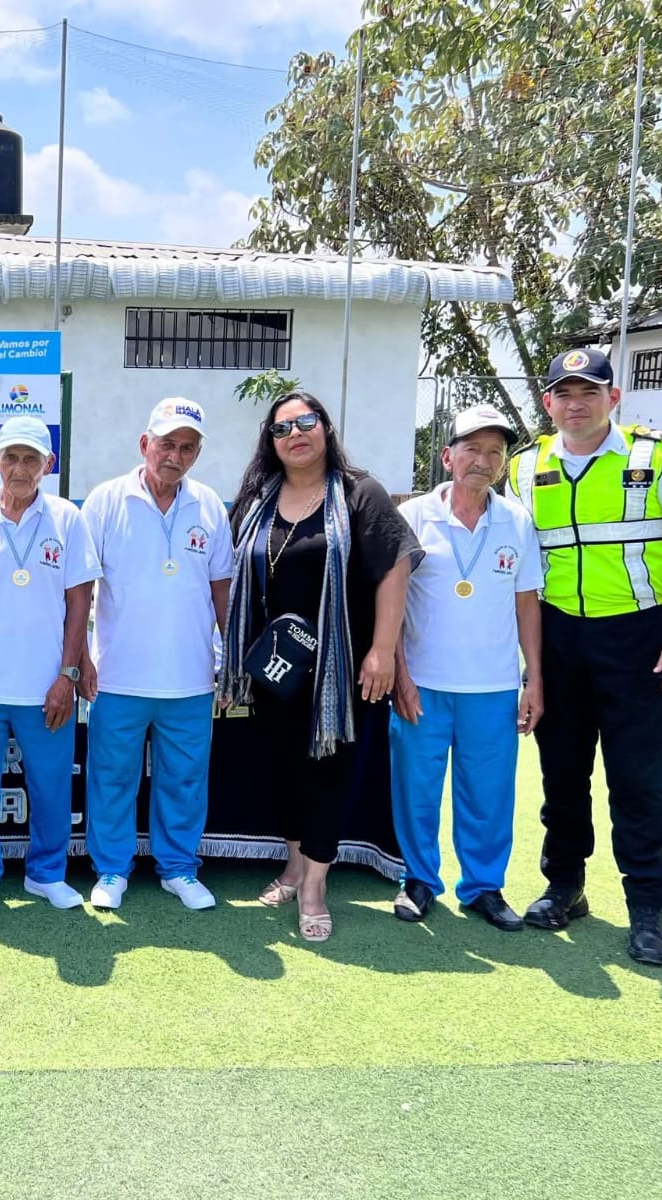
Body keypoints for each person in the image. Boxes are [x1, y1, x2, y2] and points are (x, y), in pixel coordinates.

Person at [506, 348, 662, 966]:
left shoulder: (656, 456)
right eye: (565, 394)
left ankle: (648, 909)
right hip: (558, 639)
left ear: (613, 398)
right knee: (562, 773)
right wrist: (528, 664)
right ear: (548, 403)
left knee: (638, 779)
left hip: (637, 640)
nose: (576, 404)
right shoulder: (525, 467)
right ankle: (564, 887)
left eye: (589, 392)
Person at [220, 391, 421, 942]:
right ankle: (293, 867)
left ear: (325, 429)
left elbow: (395, 567)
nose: (295, 434)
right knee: (281, 771)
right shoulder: (257, 498)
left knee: (327, 776)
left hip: (342, 669)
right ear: (270, 441)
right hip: (275, 669)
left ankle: (314, 887)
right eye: (282, 428)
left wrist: (382, 650)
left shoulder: (359, 493)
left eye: (306, 422)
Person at [0, 416, 100, 919]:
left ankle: (46, 873)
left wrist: (67, 675)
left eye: (32, 459)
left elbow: (80, 601)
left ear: (48, 465)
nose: (21, 468)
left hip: (45, 686)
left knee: (51, 789)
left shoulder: (67, 519)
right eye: (12, 457)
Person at [390, 405, 543, 931]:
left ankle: (483, 887)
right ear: (447, 457)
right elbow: (392, 603)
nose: (483, 460)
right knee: (417, 789)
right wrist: (400, 675)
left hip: (492, 686)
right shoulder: (413, 517)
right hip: (423, 684)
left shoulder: (517, 521)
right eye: (472, 449)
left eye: (495, 452)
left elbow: (527, 603)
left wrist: (533, 677)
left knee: (488, 794)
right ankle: (418, 880)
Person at [79, 398, 235, 913]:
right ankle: (111, 869)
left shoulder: (209, 505)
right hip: (117, 675)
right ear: (145, 443)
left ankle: (179, 868)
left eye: (188, 447)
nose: (175, 456)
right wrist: (80, 657)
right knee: (112, 777)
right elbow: (80, 587)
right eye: (167, 443)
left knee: (185, 780)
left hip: (190, 677)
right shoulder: (106, 500)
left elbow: (221, 588)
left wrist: (230, 658)